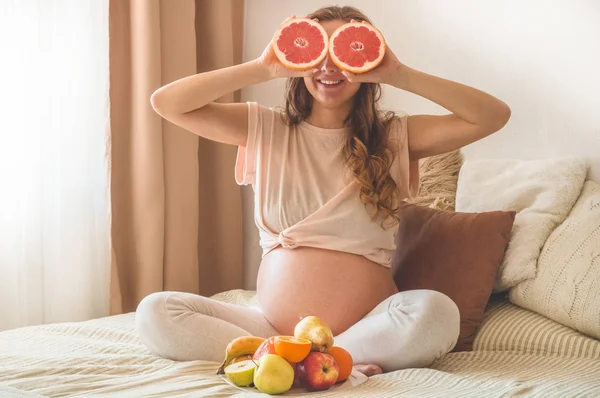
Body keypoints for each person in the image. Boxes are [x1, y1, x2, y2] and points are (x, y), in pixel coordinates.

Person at [135, 5, 510, 376]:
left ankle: (306, 363)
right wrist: (263, 67)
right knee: (156, 311)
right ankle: (312, 364)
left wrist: (398, 74)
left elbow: (493, 115)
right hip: (270, 330)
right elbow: (166, 103)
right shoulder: (266, 128)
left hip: (364, 328)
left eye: (344, 52)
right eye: (318, 51)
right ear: (298, 59)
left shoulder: (395, 137)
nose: (329, 66)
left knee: (437, 313)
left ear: (366, 63)